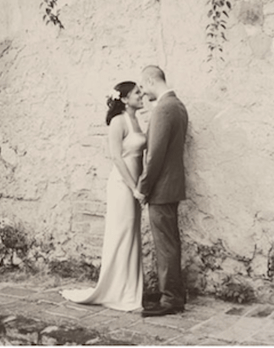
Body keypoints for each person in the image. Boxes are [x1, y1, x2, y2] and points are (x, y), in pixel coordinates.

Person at [61, 81, 146, 311]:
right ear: (125, 99)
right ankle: (116, 290)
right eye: (137, 92)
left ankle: (131, 289)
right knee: (122, 234)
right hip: (122, 184)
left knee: (132, 235)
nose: (142, 94)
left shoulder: (136, 120)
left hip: (135, 183)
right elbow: (117, 158)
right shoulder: (118, 122)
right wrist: (134, 188)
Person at [138, 65, 188, 317]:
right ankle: (173, 292)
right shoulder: (177, 105)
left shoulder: (163, 109)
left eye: (143, 86)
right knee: (171, 243)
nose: (143, 91)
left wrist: (143, 187)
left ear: (150, 80)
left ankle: (171, 299)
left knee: (165, 245)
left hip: (162, 188)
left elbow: (155, 155)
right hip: (172, 185)